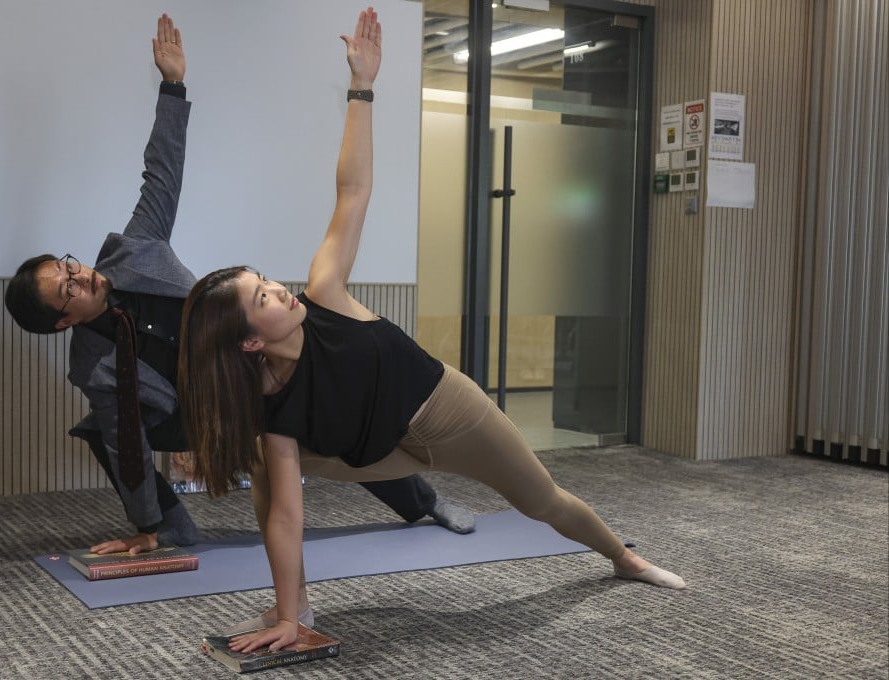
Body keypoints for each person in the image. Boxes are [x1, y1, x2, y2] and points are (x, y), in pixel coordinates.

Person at [177, 7, 686, 653]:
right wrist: (283, 616)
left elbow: (353, 189)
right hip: (377, 453)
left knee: (544, 502)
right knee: (267, 470)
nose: (278, 287)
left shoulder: (325, 294)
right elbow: (286, 514)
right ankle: (292, 608)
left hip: (447, 412)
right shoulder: (273, 406)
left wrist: (363, 87)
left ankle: (623, 557)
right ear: (250, 340)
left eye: (265, 280)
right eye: (262, 297)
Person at [2, 14, 474, 560]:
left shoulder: (135, 250)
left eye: (69, 266)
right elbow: (127, 437)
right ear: (64, 321)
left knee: (332, 421)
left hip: (250, 366)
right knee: (107, 431)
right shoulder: (93, 364)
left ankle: (423, 503)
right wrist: (145, 523)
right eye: (66, 289)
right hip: (195, 410)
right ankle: (170, 526)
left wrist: (172, 85)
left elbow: (161, 172)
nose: (79, 274)